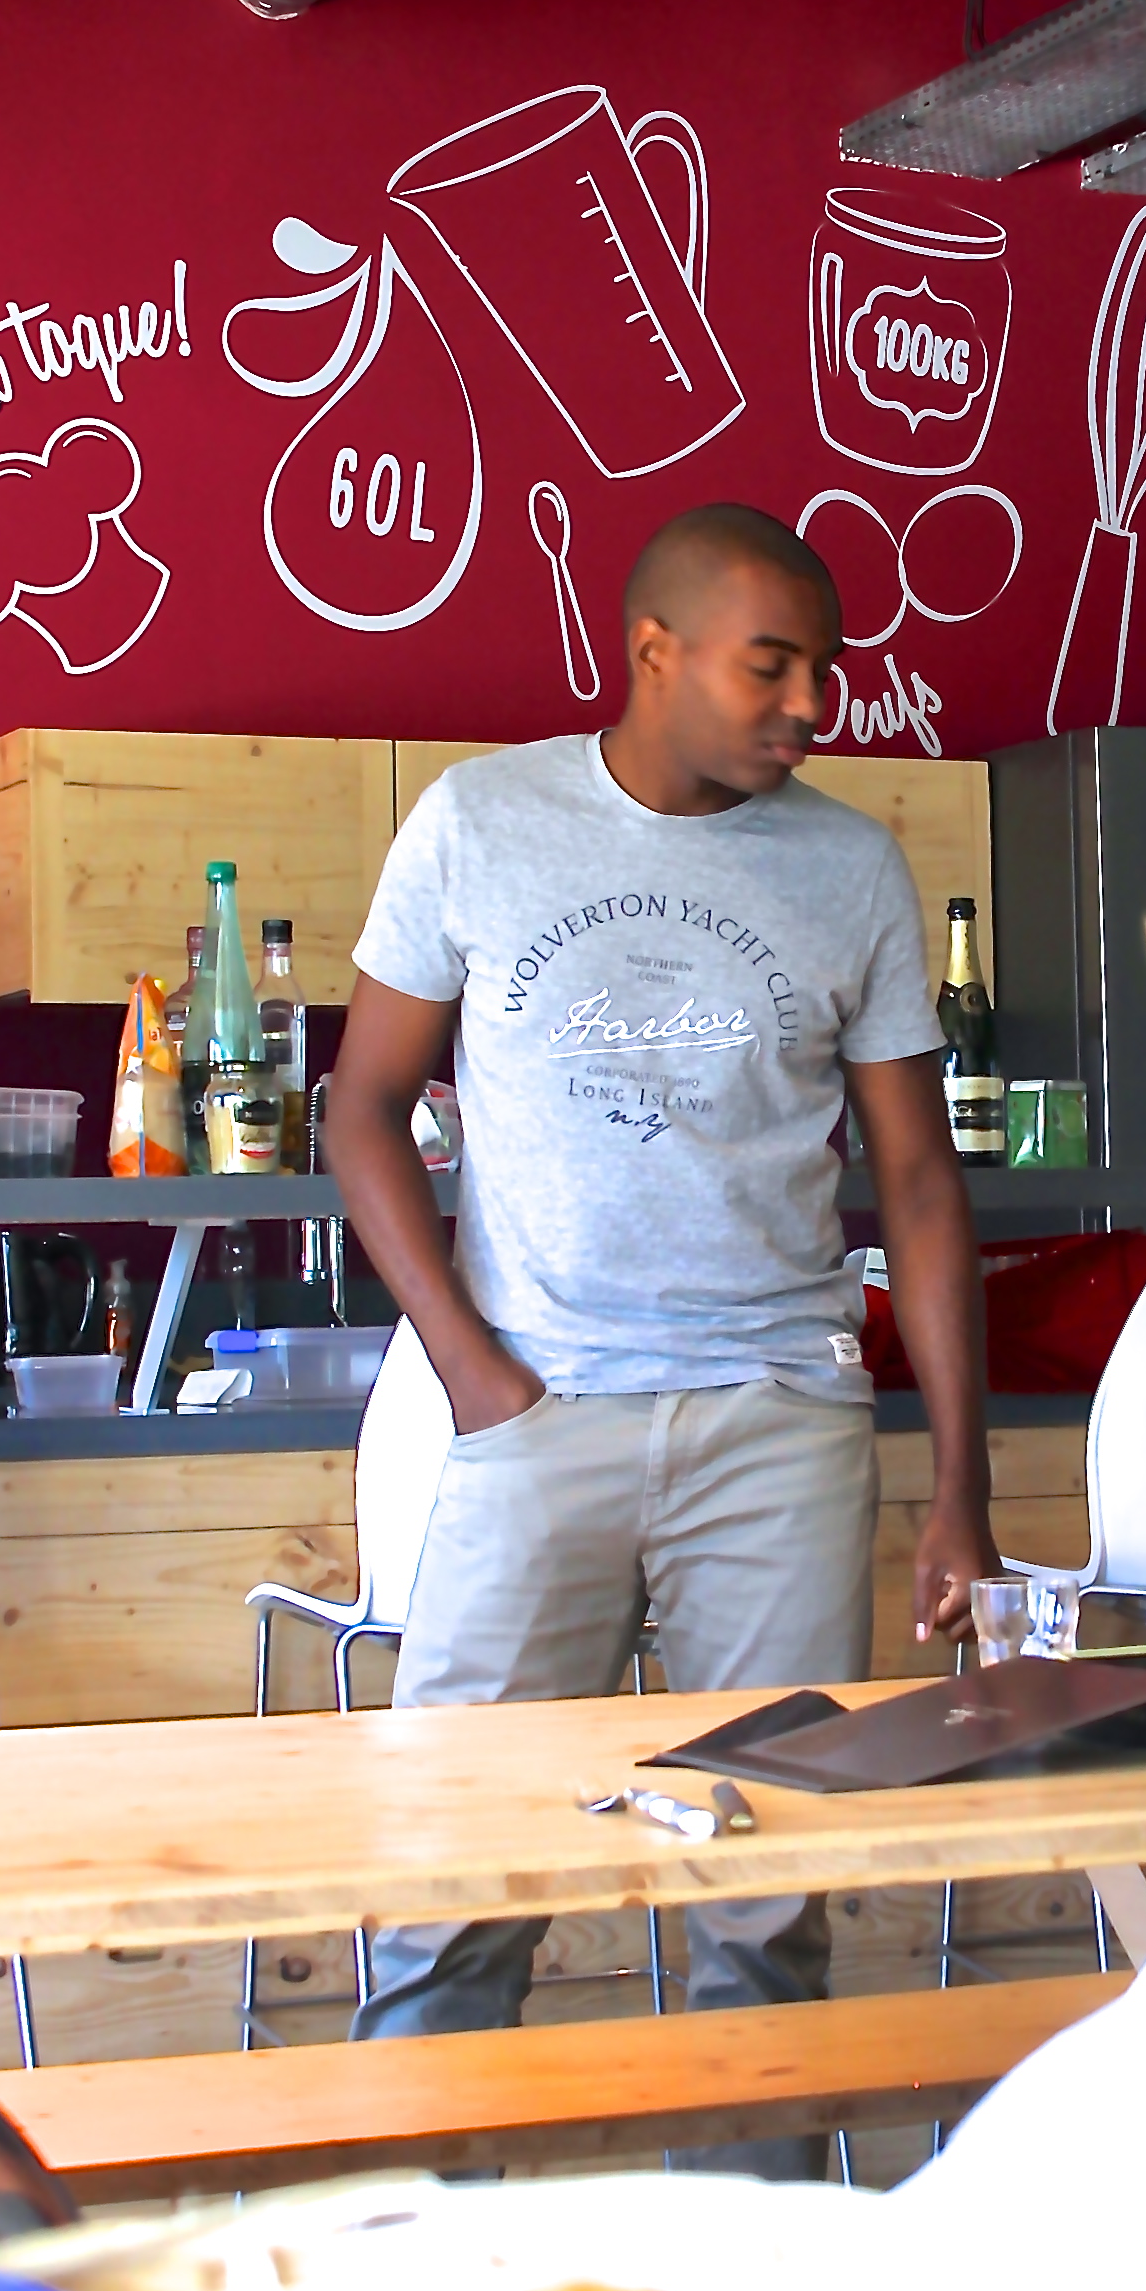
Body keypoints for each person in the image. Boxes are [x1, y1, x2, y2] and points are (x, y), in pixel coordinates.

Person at [325, 500, 998, 2037]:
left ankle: (744, 2263)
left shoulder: (853, 866)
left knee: (764, 1902)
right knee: (453, 1883)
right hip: (535, 1415)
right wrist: (475, 1375)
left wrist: (962, 1484)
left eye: (824, 672)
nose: (810, 707)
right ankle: (423, 2266)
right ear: (654, 651)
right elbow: (356, 1108)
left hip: (780, 1418)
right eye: (772, 667)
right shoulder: (481, 824)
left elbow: (916, 1177)